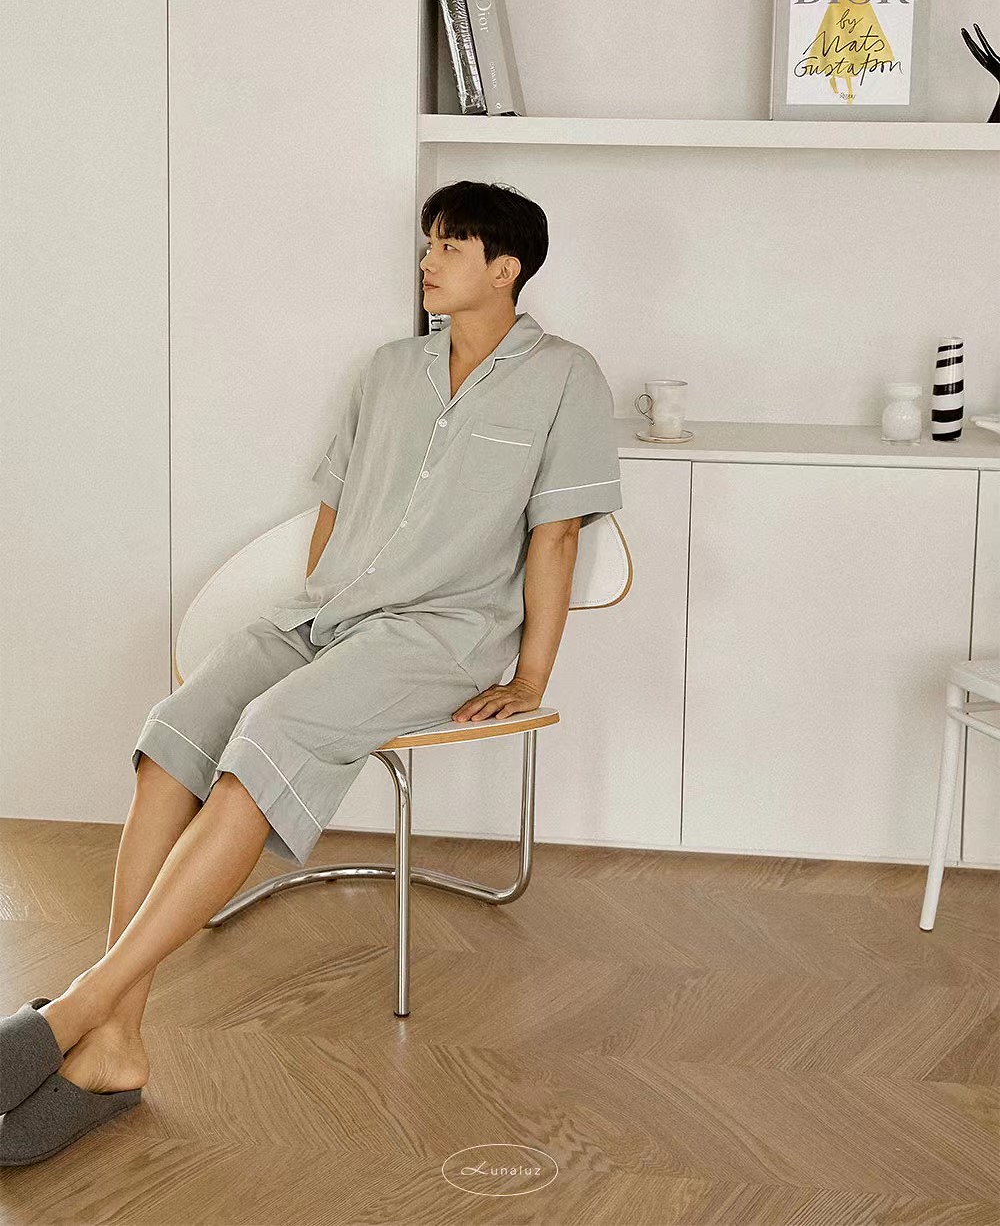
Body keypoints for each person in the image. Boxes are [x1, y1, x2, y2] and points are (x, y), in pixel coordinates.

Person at [4, 178, 623, 1123]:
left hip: (439, 634)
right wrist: (322, 604)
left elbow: (558, 536)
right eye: (428, 241)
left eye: (450, 246)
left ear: (506, 269)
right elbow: (333, 505)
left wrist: (531, 674)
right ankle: (117, 1032)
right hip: (328, 613)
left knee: (269, 731)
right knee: (174, 732)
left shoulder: (567, 376)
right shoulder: (387, 370)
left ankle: (83, 1003)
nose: (427, 260)